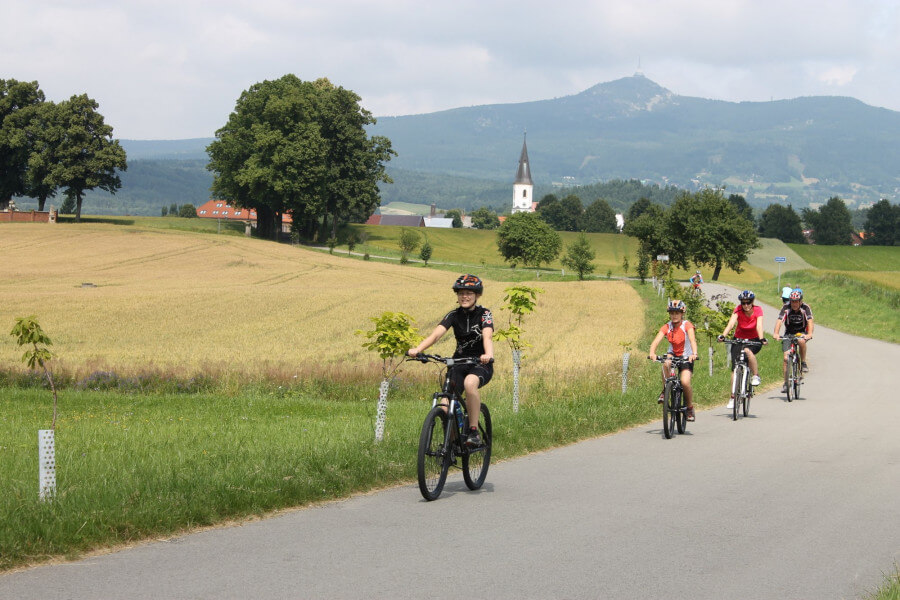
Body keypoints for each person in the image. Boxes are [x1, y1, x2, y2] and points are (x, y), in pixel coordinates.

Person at [408, 274, 494, 446]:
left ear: (477, 295)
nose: (465, 296)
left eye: (469, 293)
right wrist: (418, 350)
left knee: (470, 384)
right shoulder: (453, 315)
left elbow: (487, 337)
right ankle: (452, 444)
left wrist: (488, 354)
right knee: (444, 405)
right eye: (461, 293)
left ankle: (473, 431)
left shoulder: (484, 314)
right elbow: (436, 335)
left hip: (480, 363)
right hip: (458, 364)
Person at [648, 299, 699, 421]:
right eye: (672, 313)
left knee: (685, 382)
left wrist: (694, 353)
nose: (674, 316)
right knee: (666, 362)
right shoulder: (667, 326)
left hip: (686, 356)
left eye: (677, 313)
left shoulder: (687, 325)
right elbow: (656, 341)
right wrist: (652, 353)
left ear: (682, 314)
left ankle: (689, 408)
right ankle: (665, 390)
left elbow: (692, 340)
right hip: (673, 354)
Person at [718, 290, 767, 409]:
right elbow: (731, 324)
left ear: (752, 302)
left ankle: (755, 375)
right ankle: (732, 397)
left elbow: (759, 325)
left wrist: (761, 338)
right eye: (743, 303)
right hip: (739, 339)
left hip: (754, 340)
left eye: (748, 302)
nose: (745, 305)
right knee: (735, 369)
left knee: (748, 352)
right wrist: (723, 335)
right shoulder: (738, 309)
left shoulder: (758, 310)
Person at [773, 288, 814, 391]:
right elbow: (779, 320)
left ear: (800, 301)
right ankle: (786, 383)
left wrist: (809, 334)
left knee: (800, 341)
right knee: (786, 358)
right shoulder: (786, 307)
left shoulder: (805, 308)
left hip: (802, 333)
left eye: (796, 301)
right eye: (792, 301)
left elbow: (810, 321)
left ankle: (803, 362)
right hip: (789, 333)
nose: (794, 304)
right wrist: (776, 333)